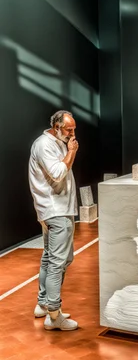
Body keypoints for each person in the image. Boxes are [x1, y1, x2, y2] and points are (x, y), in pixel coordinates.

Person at [29, 110, 79, 331]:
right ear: (57, 126)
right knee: (59, 262)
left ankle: (42, 304)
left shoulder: (57, 141)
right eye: (69, 129)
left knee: (50, 258)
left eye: (74, 129)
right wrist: (72, 152)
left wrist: (68, 148)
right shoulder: (44, 144)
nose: (72, 133)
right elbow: (59, 172)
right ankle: (54, 315)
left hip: (56, 209)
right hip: (55, 210)